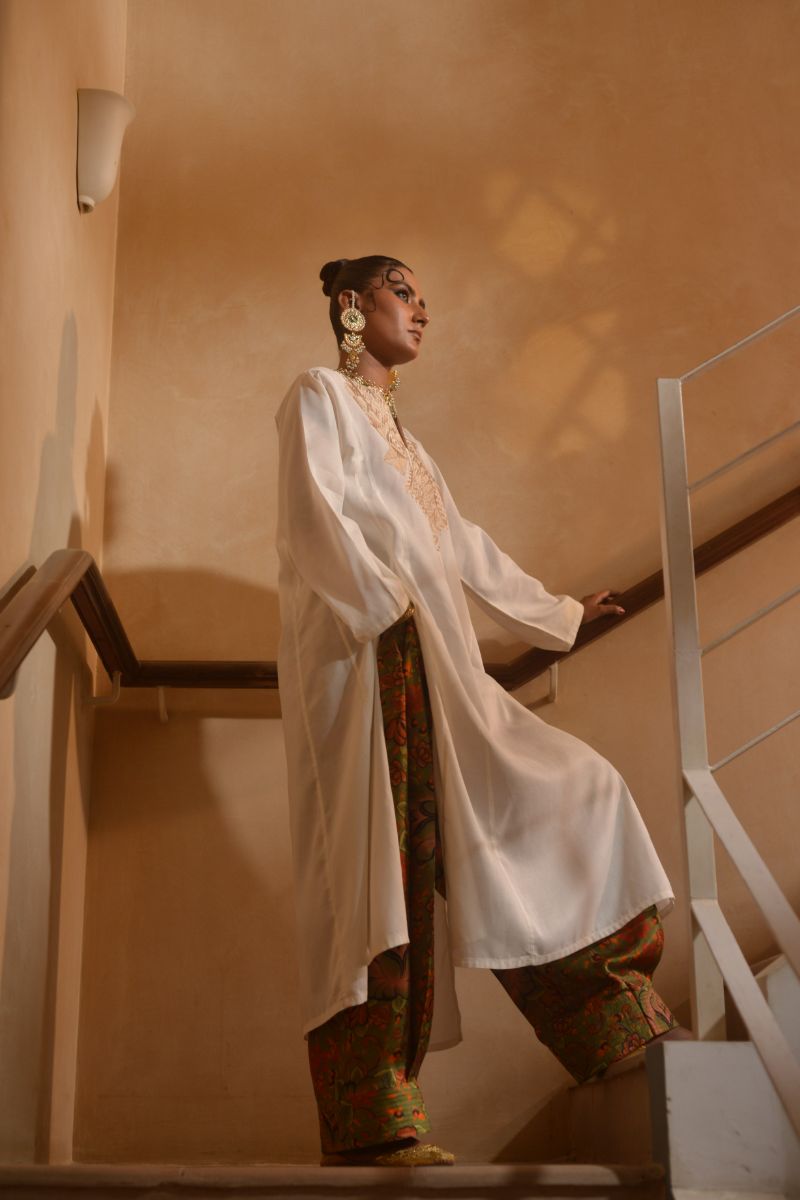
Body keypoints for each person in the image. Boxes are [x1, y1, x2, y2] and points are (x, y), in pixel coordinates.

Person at [275, 255, 682, 1168]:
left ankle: (605, 1023)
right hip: (368, 658)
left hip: (436, 662)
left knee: (564, 796)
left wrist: (561, 613)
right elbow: (311, 515)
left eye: (423, 298)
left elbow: (462, 546)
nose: (423, 310)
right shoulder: (318, 396)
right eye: (403, 292)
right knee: (387, 877)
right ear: (353, 305)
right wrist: (385, 609)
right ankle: (373, 1120)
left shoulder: (408, 442)